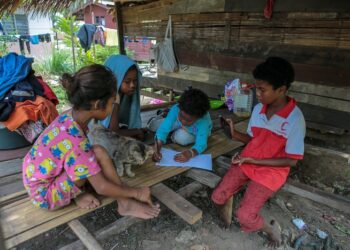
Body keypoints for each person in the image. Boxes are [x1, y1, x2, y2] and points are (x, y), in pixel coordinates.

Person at [22, 64, 160, 220]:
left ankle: (122, 200)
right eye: (112, 102)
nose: (113, 107)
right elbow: (101, 187)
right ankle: (122, 202)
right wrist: (138, 192)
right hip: (45, 194)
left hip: (35, 175)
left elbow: (79, 157)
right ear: (97, 104)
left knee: (98, 151)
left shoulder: (69, 117)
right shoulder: (77, 143)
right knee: (92, 158)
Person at [211, 57, 305, 247]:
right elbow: (254, 140)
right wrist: (235, 134)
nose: (258, 94)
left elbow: (291, 160)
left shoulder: (295, 119)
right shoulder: (258, 109)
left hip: (271, 172)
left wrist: (254, 159)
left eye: (262, 90)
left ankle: (271, 230)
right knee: (217, 196)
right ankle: (224, 217)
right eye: (256, 88)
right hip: (248, 161)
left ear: (281, 89)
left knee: (245, 215)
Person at [152, 88, 212, 163]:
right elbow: (163, 129)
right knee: (154, 126)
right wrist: (158, 146)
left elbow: (201, 144)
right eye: (182, 116)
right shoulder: (176, 108)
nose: (183, 121)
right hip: (178, 124)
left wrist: (190, 153)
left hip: (195, 132)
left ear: (198, 118)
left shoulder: (203, 120)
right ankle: (166, 120)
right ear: (179, 108)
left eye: (189, 120)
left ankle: (173, 133)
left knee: (182, 138)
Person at [100, 55, 146, 140]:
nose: (132, 85)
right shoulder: (111, 98)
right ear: (116, 78)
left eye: (135, 81)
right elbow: (113, 132)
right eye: (127, 81)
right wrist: (136, 131)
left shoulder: (120, 93)